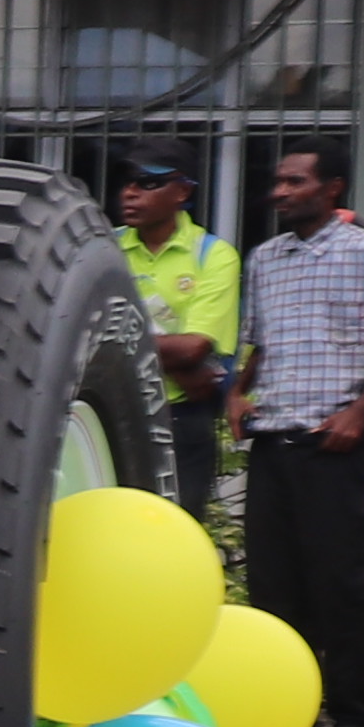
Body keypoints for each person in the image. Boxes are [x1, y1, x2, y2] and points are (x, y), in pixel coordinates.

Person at [237, 138, 364, 727]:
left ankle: (360, 721)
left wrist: (359, 410)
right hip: (272, 445)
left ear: (332, 188)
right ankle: (291, 714)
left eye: (295, 181)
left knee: (345, 588)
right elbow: (258, 343)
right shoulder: (265, 259)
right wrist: (237, 393)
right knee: (274, 590)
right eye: (278, 181)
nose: (280, 191)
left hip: (333, 444)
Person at [116, 154, 245, 518]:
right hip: (111, 411)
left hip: (180, 418)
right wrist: (177, 362)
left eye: (148, 183)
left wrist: (117, 341)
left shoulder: (213, 255)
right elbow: (79, 334)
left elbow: (194, 348)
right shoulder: (103, 248)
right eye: (127, 182)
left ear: (182, 192)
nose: (130, 193)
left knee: (175, 527)